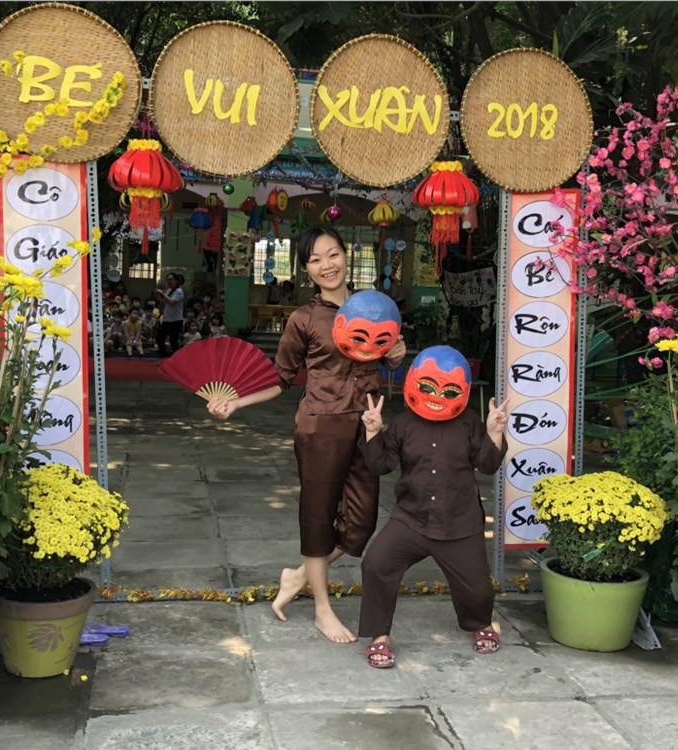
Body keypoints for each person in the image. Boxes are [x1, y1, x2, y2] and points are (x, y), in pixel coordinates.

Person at [207, 226, 407, 643]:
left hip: (368, 425)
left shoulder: (374, 308)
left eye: (332, 254)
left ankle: (299, 576)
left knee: (361, 524)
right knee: (318, 517)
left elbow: (384, 356)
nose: (327, 265)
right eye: (315, 260)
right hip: (320, 426)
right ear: (306, 269)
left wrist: (395, 356)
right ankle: (322, 609)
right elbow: (279, 377)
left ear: (346, 256)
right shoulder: (304, 318)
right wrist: (237, 403)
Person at [356, 348, 509, 669]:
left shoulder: (468, 423)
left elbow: (487, 465)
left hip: (459, 522)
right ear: (413, 383)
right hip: (411, 519)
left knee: (478, 589)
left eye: (449, 391)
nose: (437, 397)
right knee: (376, 563)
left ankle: (480, 623)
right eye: (428, 387)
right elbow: (382, 465)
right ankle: (379, 636)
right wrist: (373, 432)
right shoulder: (404, 423)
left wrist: (494, 432)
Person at [154, 272, 185, 356]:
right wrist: (158, 296)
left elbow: (172, 302)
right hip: (167, 319)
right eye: (168, 279)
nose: (169, 281)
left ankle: (175, 358)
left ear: (176, 281)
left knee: (173, 340)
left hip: (176, 320)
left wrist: (162, 293)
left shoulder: (179, 291)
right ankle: (163, 354)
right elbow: (164, 303)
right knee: (159, 337)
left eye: (171, 279)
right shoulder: (169, 291)